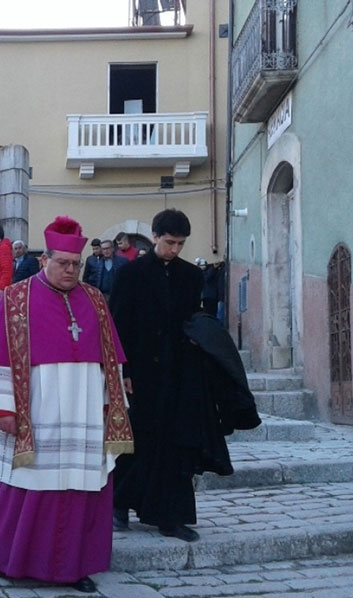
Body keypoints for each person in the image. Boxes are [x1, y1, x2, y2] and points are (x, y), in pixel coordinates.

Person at [0, 216, 132, 594]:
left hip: (85, 406)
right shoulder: (15, 298)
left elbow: (112, 358)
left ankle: (74, 566)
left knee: (80, 486)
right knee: (29, 482)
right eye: (63, 263)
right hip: (36, 405)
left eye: (76, 265)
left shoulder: (94, 299)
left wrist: (114, 404)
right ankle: (13, 559)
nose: (71, 270)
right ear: (46, 261)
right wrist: (2, 408)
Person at [108, 208, 206, 542]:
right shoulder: (130, 275)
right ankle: (119, 504)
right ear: (154, 237)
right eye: (169, 242)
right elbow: (118, 325)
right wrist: (124, 371)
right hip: (140, 374)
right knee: (136, 441)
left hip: (177, 374)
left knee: (174, 444)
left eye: (180, 244)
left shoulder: (192, 277)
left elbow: (195, 322)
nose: (175, 249)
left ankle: (170, 516)